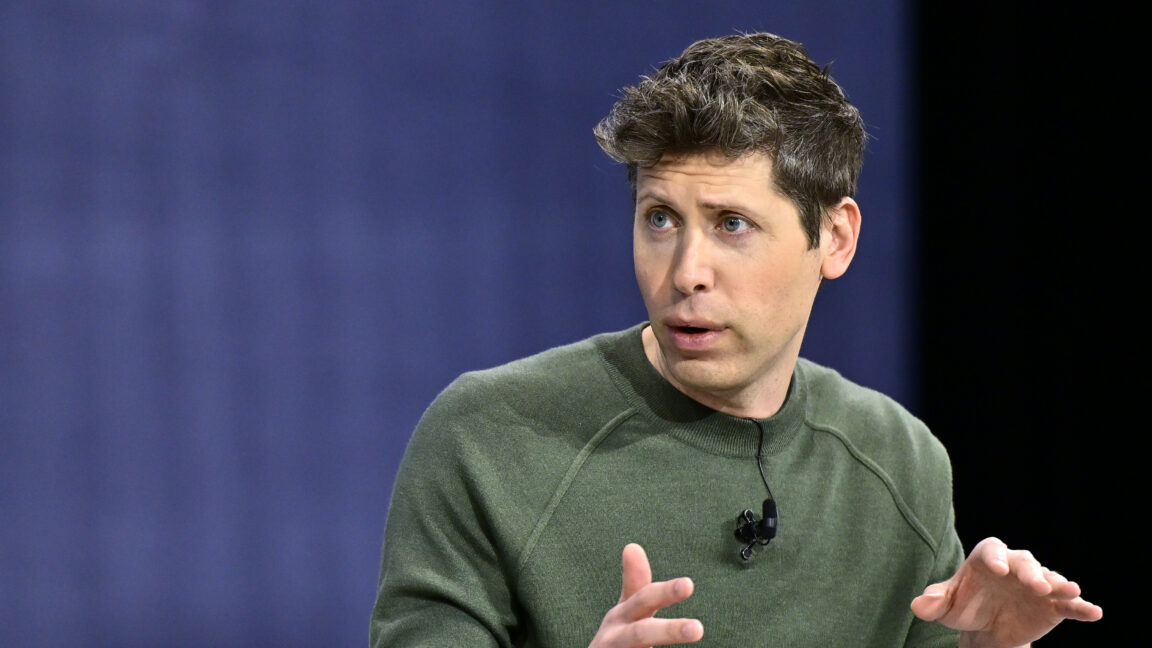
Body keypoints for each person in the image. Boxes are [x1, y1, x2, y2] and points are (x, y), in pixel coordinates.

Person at [370, 32, 1102, 647]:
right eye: (660, 218)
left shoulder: (897, 463)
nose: (686, 272)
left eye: (732, 225)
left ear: (836, 238)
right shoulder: (487, 440)